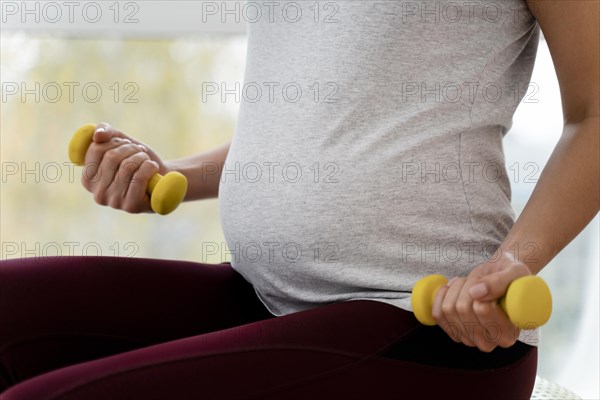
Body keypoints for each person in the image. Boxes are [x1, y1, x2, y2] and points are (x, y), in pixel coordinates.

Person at [1, 1, 598, 399]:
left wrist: (514, 263)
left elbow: (595, 115)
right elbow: (318, 127)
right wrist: (172, 171)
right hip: (267, 297)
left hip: (425, 324)